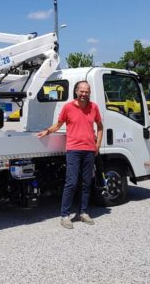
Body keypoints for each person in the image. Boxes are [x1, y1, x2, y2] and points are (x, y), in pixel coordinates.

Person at [37, 80, 103, 229]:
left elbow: (100, 127)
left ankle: (83, 213)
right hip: (73, 150)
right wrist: (47, 131)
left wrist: (97, 144)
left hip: (89, 150)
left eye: (87, 91)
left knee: (87, 183)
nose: (84, 94)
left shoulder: (94, 108)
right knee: (71, 182)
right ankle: (65, 215)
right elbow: (58, 124)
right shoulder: (68, 107)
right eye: (81, 91)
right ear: (76, 92)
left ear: (89, 93)